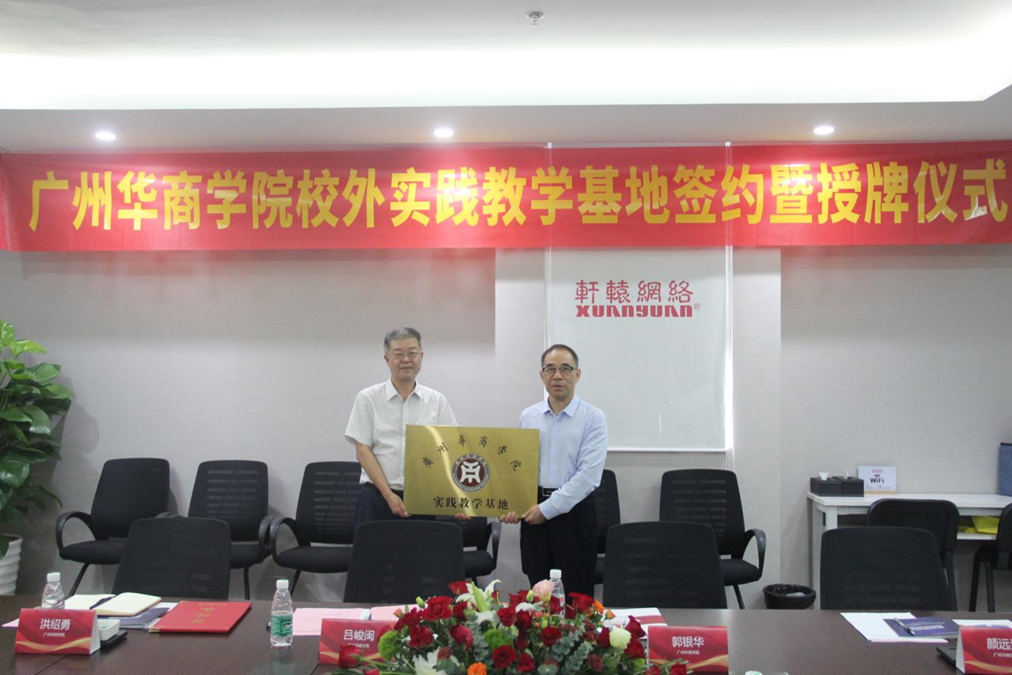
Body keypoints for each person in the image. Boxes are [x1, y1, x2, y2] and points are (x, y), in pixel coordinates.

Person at [500, 344, 607, 598]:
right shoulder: (529, 416)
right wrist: (512, 504)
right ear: (542, 375)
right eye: (550, 369)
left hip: (574, 515)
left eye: (565, 369)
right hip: (533, 512)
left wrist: (547, 510)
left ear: (577, 374)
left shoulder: (593, 418)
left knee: (576, 598)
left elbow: (588, 477)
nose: (557, 376)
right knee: (538, 596)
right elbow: (518, 468)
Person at [345, 327, 457, 529]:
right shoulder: (368, 398)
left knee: (420, 550)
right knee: (374, 550)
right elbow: (362, 451)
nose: (406, 359)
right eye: (398, 354)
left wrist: (459, 496)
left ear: (421, 356)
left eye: (412, 353)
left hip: (422, 498)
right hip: (376, 497)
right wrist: (389, 495)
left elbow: (450, 449)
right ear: (387, 359)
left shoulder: (437, 401)